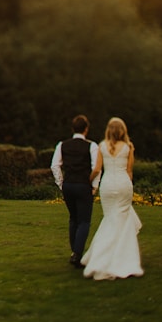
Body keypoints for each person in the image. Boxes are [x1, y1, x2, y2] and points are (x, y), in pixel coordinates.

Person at [81, 117, 144, 280]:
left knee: (110, 219)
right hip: (123, 184)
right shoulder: (128, 146)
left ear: (108, 130)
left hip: (108, 185)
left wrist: (88, 180)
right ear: (123, 130)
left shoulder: (102, 146)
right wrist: (127, 184)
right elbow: (130, 171)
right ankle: (123, 257)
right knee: (122, 220)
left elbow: (97, 169)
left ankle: (102, 257)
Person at [50, 115, 101, 268]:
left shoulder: (62, 145)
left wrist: (61, 183)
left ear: (73, 129)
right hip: (83, 185)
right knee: (84, 220)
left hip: (69, 185)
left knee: (73, 219)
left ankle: (74, 251)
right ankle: (77, 254)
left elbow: (54, 165)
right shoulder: (92, 146)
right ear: (86, 129)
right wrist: (94, 186)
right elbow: (96, 168)